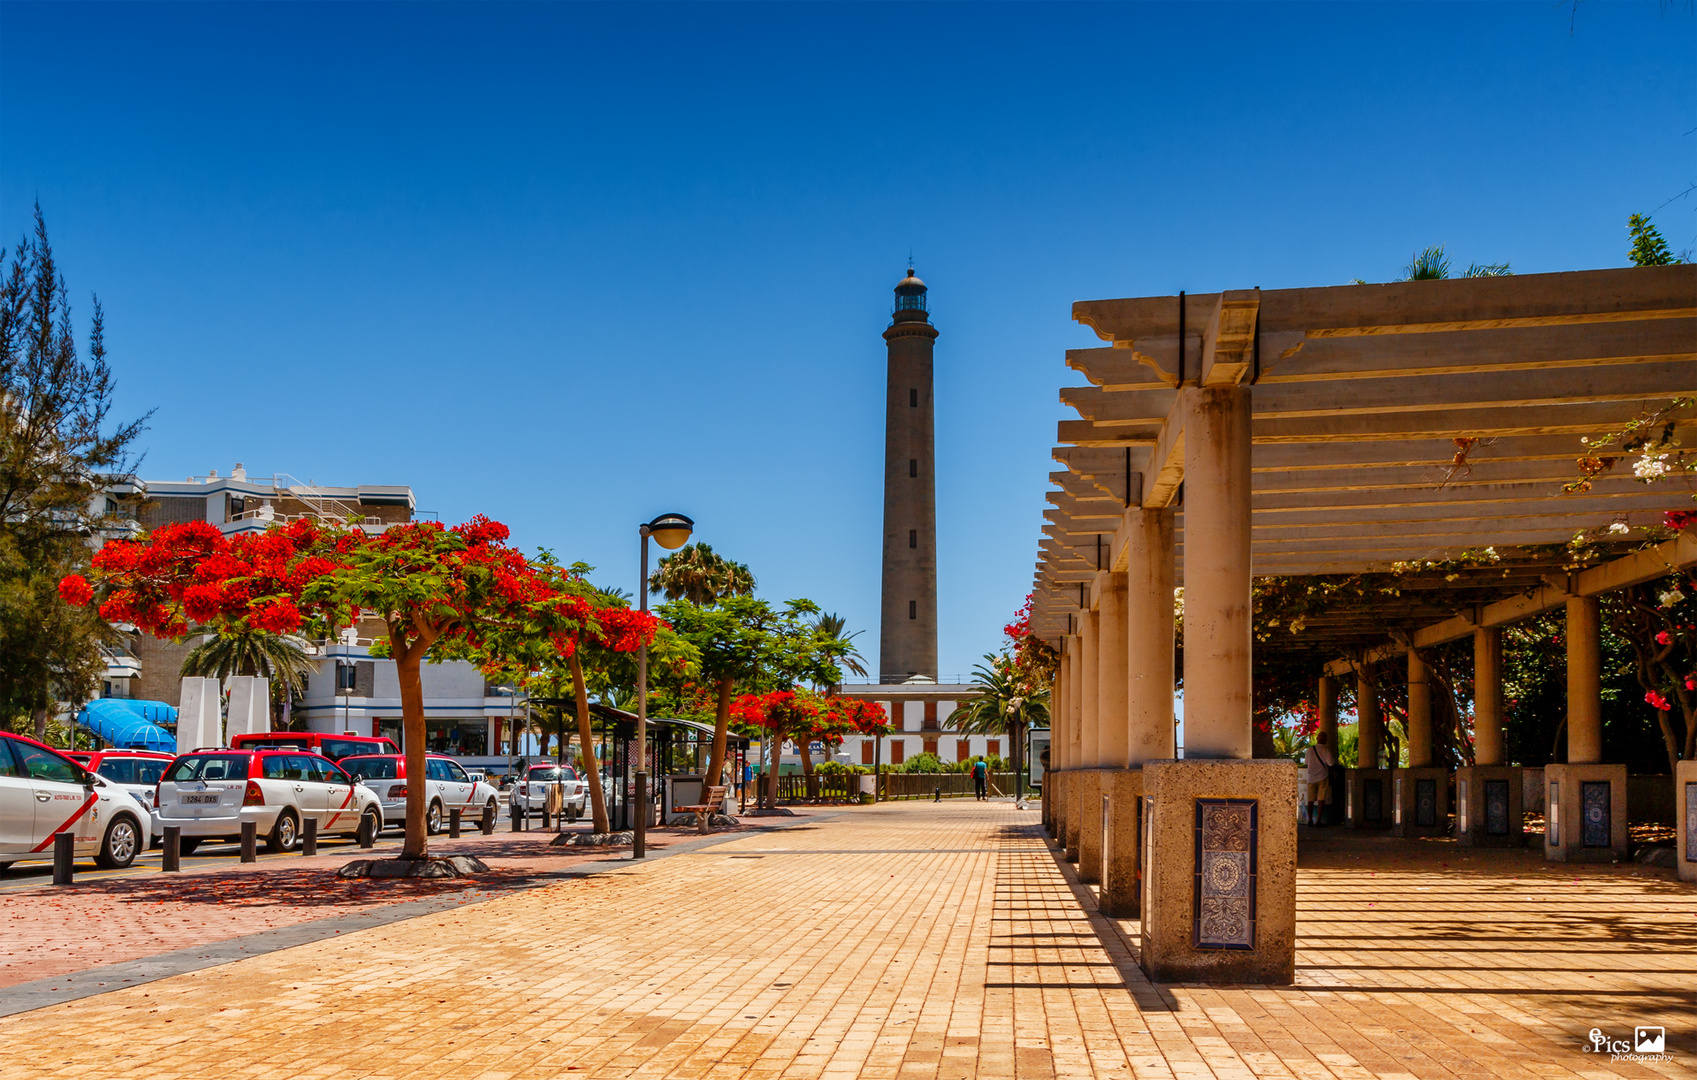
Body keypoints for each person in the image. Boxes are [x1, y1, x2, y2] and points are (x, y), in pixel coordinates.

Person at [1304, 731, 1336, 826]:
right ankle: (1318, 820)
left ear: (1317, 739)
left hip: (1311, 777)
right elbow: (1331, 763)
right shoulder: (1326, 750)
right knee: (1321, 800)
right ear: (1325, 740)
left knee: (1310, 800)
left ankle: (1309, 820)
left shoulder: (1309, 749)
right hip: (1323, 777)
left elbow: (1306, 762)